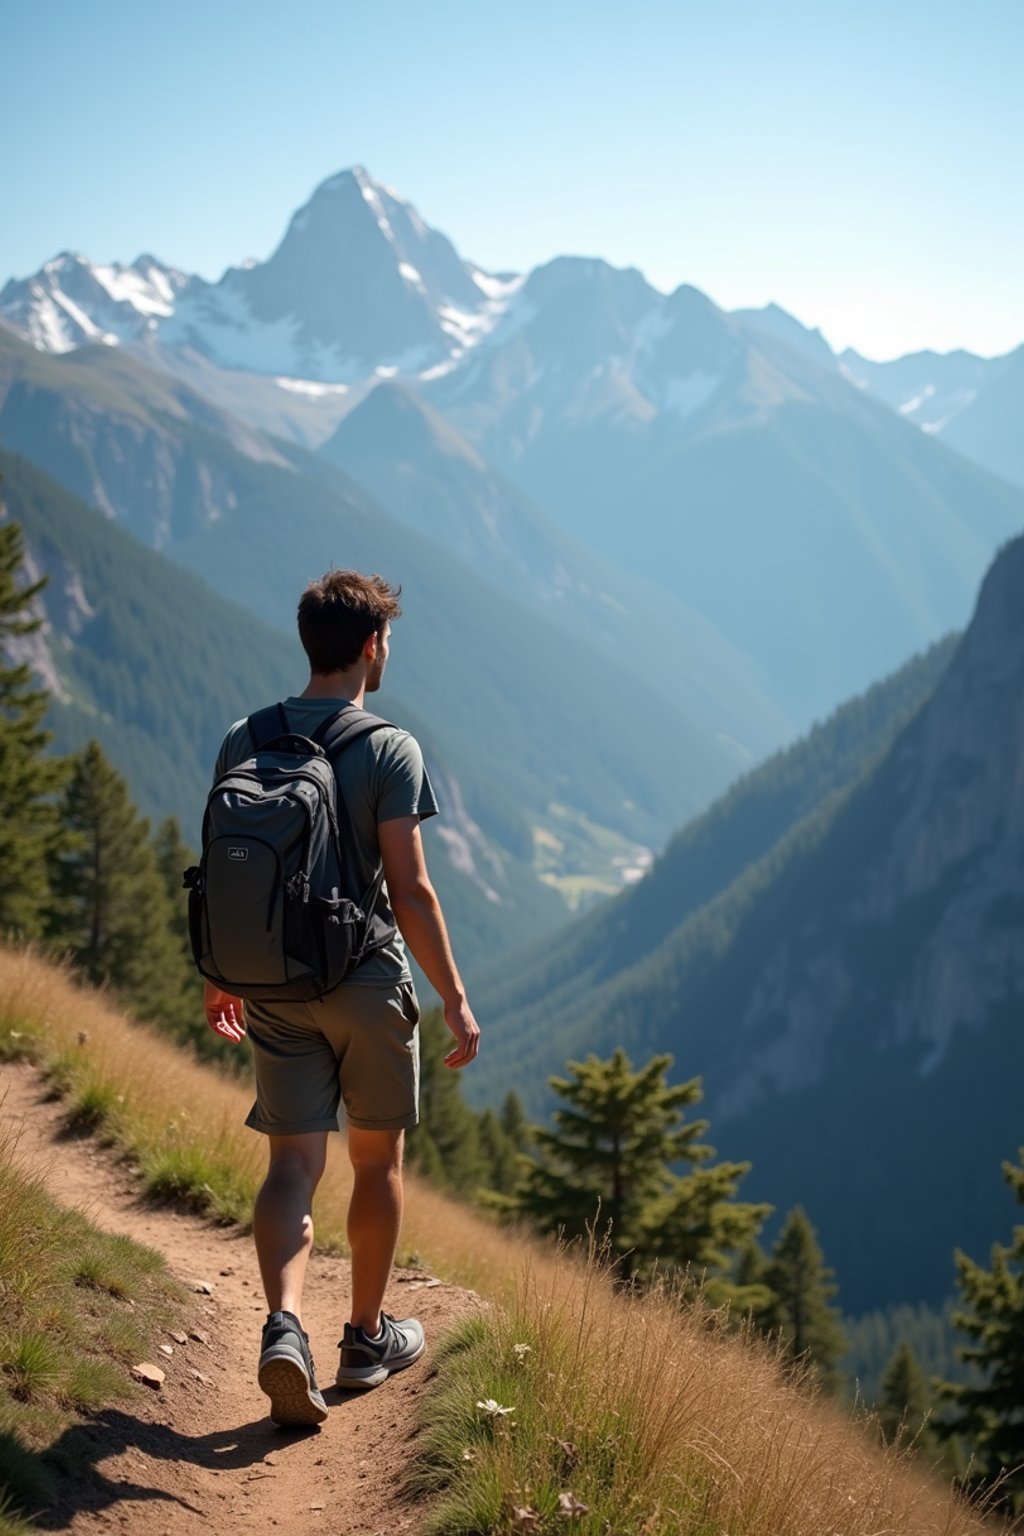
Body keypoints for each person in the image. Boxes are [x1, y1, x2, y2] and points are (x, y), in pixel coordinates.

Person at [203, 569, 480, 1427]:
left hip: (274, 985)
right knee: (375, 1162)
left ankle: (284, 1326)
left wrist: (223, 971)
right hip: (364, 982)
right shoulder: (389, 747)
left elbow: (227, 866)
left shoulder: (244, 736)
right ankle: (363, 1338)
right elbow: (412, 891)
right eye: (386, 640)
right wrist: (456, 1001)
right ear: (371, 645)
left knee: (292, 1166)